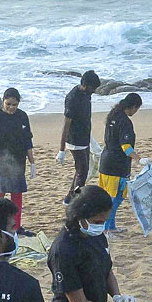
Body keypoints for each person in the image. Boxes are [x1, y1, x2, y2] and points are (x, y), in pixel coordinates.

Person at [0, 88, 35, 234]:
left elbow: (27, 140)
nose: (11, 107)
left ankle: (16, 226)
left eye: (14, 105)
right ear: (3, 101)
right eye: (8, 104)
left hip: (18, 160)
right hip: (0, 161)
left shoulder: (22, 116)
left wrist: (32, 161)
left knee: (17, 194)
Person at [99, 92, 142, 233]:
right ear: (133, 107)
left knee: (109, 198)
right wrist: (139, 159)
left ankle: (111, 227)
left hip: (105, 162)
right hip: (117, 166)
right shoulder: (125, 121)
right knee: (115, 199)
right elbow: (126, 146)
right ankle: (106, 229)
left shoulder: (113, 115)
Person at [57, 70, 101, 203]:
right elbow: (66, 125)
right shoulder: (73, 99)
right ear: (84, 84)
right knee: (82, 172)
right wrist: (61, 150)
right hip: (75, 140)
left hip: (85, 137)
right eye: (93, 88)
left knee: (82, 170)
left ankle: (70, 197)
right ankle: (75, 198)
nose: (94, 91)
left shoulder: (86, 94)